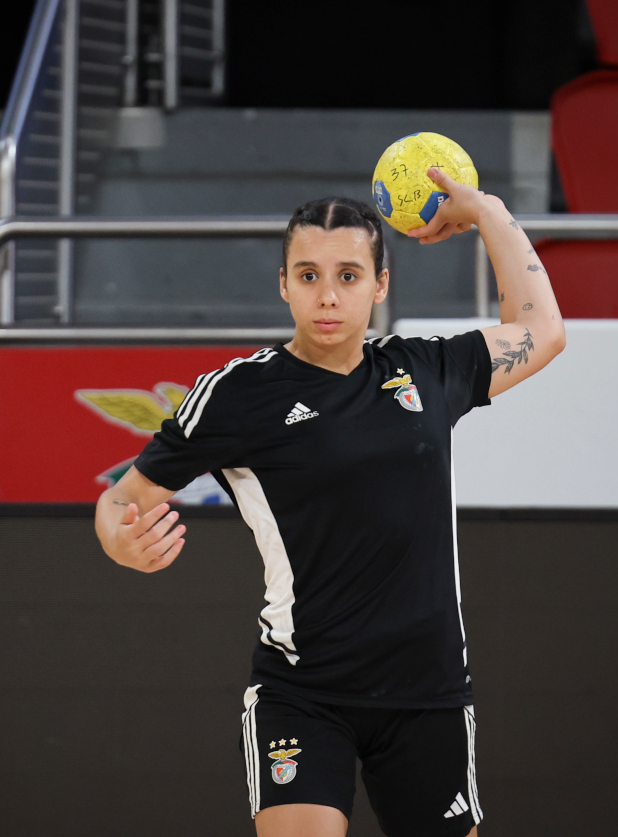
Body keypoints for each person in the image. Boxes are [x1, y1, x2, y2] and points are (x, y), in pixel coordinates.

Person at [95, 167, 565, 837]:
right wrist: (121, 540)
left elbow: (542, 328)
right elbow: (124, 499)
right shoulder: (237, 394)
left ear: (380, 284)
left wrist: (488, 211)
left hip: (427, 694)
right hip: (302, 694)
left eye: (348, 275)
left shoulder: (427, 369)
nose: (327, 294)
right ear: (284, 284)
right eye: (308, 274)